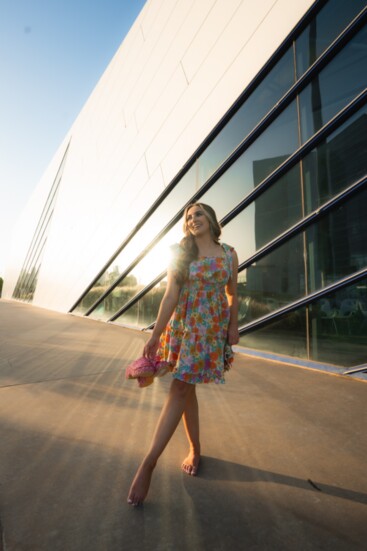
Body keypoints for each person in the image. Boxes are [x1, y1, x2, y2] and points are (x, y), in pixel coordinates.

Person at [127, 202, 239, 506]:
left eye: (198, 214)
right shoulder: (180, 253)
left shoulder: (229, 253)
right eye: (188, 217)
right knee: (181, 388)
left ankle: (194, 449)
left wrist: (233, 326)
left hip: (211, 331)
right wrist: (155, 335)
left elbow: (232, 294)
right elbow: (170, 295)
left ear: (212, 219)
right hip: (184, 329)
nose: (193, 219)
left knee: (184, 388)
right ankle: (150, 463)